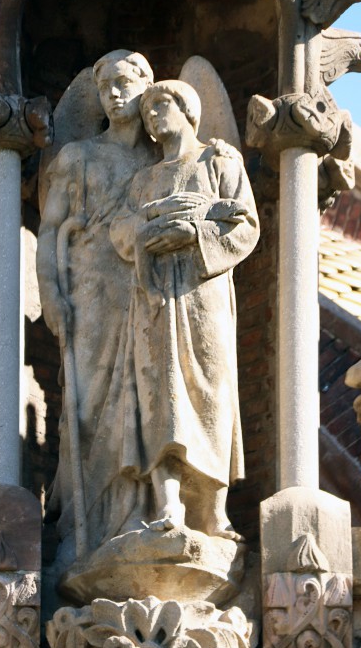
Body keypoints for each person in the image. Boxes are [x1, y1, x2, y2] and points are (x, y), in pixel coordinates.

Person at [107, 80, 259, 538]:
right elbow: (120, 231)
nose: (152, 116)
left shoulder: (219, 160)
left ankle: (213, 513)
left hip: (202, 294)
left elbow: (247, 225)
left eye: (161, 105)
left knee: (210, 391)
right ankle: (168, 504)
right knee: (159, 392)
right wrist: (149, 225)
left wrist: (193, 234)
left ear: (188, 108)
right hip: (153, 298)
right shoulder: (143, 180)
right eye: (147, 111)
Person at [37, 50, 157, 562]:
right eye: (106, 85)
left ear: (147, 87)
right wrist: (50, 293)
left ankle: (142, 516)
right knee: (85, 407)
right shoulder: (77, 157)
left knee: (147, 401)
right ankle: (83, 532)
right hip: (90, 292)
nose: (114, 93)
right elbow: (49, 230)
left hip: (148, 292)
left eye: (125, 81)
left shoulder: (162, 160)